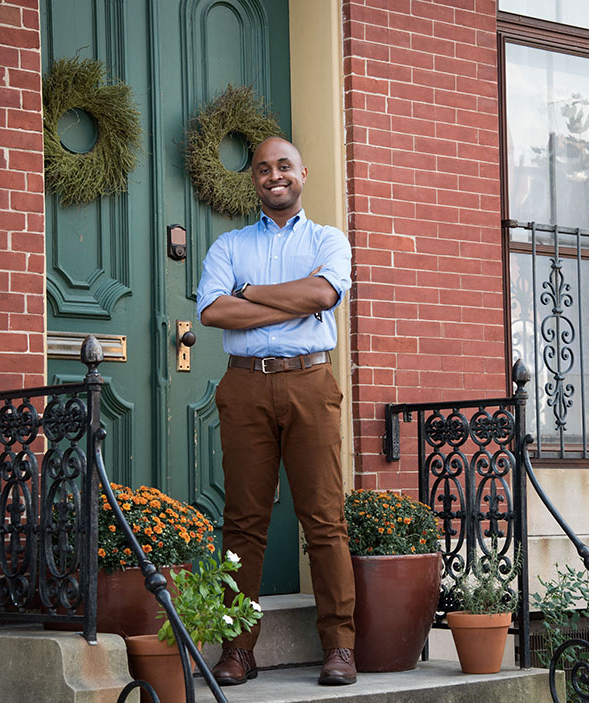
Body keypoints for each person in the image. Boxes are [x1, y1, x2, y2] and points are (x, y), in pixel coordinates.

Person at [196, 137, 356, 687]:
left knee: (325, 520)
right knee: (243, 523)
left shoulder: (328, 239)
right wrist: (284, 302)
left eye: (283, 166)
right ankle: (238, 650)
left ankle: (339, 647)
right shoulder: (228, 244)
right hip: (244, 388)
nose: (274, 176)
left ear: (303, 174)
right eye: (263, 169)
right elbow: (215, 310)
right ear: (255, 181)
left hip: (311, 382)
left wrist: (253, 295)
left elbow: (321, 296)